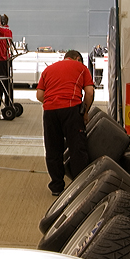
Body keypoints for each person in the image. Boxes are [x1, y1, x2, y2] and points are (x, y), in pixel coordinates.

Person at [36, 50, 95, 196]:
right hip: (71, 109)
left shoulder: (48, 69)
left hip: (50, 111)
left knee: (53, 149)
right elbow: (89, 92)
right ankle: (79, 187)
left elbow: (39, 95)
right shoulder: (81, 67)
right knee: (77, 148)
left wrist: (53, 103)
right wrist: (85, 111)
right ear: (77, 58)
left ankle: (56, 187)